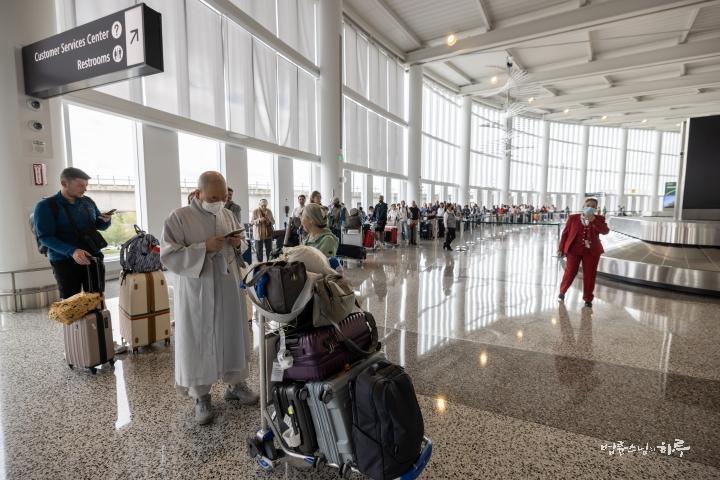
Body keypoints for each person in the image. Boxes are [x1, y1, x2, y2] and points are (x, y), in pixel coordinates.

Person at [160, 171, 258, 425]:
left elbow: (244, 244)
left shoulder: (227, 214)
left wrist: (237, 244)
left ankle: (236, 384)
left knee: (232, 332)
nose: (219, 202)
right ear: (198, 193)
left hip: (227, 285)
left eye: (223, 197)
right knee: (198, 338)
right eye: (214, 197)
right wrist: (204, 247)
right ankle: (201, 396)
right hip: (198, 288)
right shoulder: (179, 217)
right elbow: (169, 255)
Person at [33, 167, 113, 299]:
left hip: (92, 257)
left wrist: (106, 221)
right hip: (64, 261)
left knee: (96, 299)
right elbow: (45, 237)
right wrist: (73, 251)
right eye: (80, 185)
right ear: (64, 183)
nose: (85, 189)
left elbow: (99, 226)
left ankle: (96, 313)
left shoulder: (88, 202)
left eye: (86, 185)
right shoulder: (46, 206)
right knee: (71, 302)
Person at [557, 198, 610, 308]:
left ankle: (588, 299)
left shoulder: (599, 218)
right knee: (570, 272)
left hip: (592, 251)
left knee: (590, 275)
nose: (590, 207)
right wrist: (560, 249)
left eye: (593, 206)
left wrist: (594, 220)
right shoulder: (573, 218)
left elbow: (605, 231)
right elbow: (565, 234)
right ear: (583, 206)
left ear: (596, 208)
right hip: (573, 250)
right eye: (588, 205)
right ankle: (562, 292)